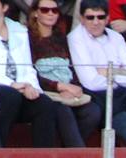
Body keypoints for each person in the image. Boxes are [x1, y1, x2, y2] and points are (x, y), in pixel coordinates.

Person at [0, 0, 60, 145]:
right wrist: (11, 84)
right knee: (9, 95)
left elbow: (27, 67)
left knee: (44, 104)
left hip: (18, 89)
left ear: (5, 7)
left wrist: (31, 87)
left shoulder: (18, 29)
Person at [68, 0, 126, 144]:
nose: (96, 22)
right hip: (101, 98)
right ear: (82, 19)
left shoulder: (116, 37)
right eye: (90, 17)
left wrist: (109, 73)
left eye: (100, 17)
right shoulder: (75, 38)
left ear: (107, 19)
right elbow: (91, 82)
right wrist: (121, 73)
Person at [27, 0, 102, 146]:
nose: (50, 13)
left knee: (93, 111)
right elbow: (30, 72)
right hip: (45, 92)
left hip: (68, 90)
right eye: (45, 10)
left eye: (54, 10)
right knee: (63, 110)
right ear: (35, 13)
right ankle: (78, 155)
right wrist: (59, 87)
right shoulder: (28, 38)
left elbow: (71, 67)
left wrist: (73, 87)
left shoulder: (62, 38)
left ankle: (67, 151)